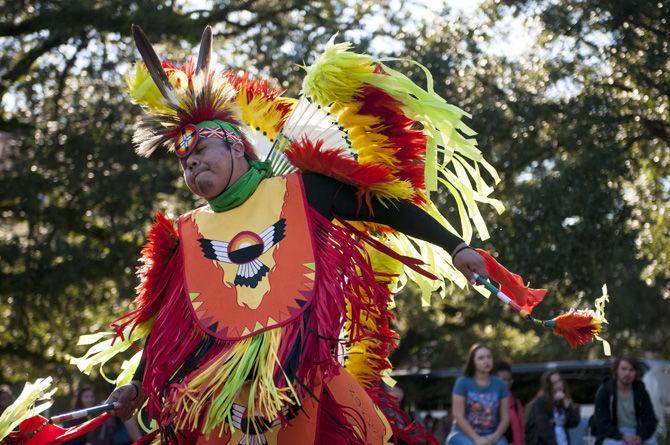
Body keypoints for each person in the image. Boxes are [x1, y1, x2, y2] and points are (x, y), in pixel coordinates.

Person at [72, 25, 498, 444]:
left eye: (201, 151)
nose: (192, 166)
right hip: (223, 402)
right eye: (185, 164)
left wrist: (454, 245)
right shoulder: (188, 234)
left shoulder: (301, 190)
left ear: (237, 145)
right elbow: (169, 325)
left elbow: (382, 205)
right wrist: (139, 383)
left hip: (303, 386)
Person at [447, 344, 510, 445]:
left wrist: (495, 437)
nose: (486, 361)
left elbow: (505, 417)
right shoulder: (462, 382)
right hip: (463, 434)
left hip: (492, 434)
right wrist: (476, 438)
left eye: (489, 357)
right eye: (481, 358)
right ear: (473, 362)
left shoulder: (500, 384)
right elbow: (457, 415)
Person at [593, 357, 658, 445]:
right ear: (616, 371)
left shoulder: (640, 391)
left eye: (631, 370)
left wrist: (640, 437)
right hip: (613, 434)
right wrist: (622, 437)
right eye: (623, 369)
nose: (627, 373)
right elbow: (601, 423)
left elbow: (650, 420)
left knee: (652, 442)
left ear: (636, 372)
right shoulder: (606, 391)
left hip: (637, 432)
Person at [525, 371, 580, 445]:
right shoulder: (541, 402)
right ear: (548, 386)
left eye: (559, 381)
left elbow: (574, 422)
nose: (558, 385)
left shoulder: (562, 401)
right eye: (553, 383)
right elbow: (544, 429)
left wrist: (569, 407)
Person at [493, 361, 524, 445]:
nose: (506, 383)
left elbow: (521, 430)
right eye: (503, 380)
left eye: (509, 380)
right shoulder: (487, 404)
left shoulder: (516, 403)